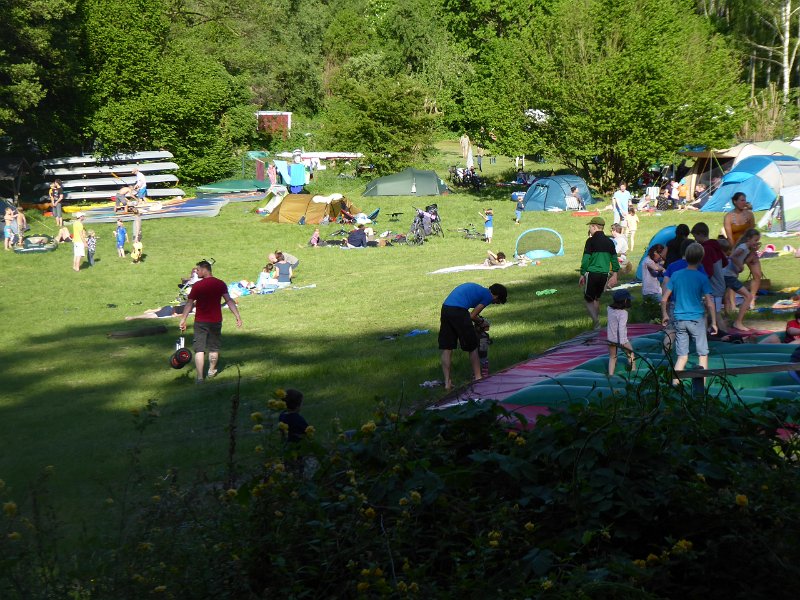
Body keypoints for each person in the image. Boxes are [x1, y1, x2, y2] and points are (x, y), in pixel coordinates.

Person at [661, 242, 718, 387]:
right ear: (701, 259)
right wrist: (714, 323)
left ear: (686, 256)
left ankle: (675, 385)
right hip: (696, 320)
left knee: (682, 356)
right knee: (703, 355)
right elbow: (710, 302)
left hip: (680, 319)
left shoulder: (676, 275)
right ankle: (701, 390)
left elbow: (664, 298)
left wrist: (665, 314)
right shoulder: (701, 277)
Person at [179, 260, 242, 383]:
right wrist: (237, 316)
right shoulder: (220, 284)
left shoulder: (197, 286)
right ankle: (211, 371)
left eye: (198, 270)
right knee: (214, 348)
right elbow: (229, 301)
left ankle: (200, 378)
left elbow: (189, 303)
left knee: (199, 349)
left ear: (204, 270)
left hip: (200, 321)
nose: (196, 272)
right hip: (215, 320)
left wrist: (183, 319)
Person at [439, 282, 508, 391]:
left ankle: (447, 382)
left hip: (446, 308)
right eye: (497, 302)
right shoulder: (487, 296)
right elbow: (472, 315)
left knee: (447, 348)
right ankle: (478, 378)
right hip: (458, 311)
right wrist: (482, 322)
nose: (494, 303)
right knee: (473, 346)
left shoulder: (481, 290)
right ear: (496, 296)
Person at [579, 216, 620, 330]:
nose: (589, 229)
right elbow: (614, 259)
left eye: (590, 227)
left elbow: (586, 258)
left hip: (592, 274)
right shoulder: (610, 242)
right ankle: (596, 325)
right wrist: (615, 273)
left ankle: (596, 322)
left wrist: (582, 273)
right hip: (604, 274)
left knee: (588, 300)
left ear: (594, 227)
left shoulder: (590, 241)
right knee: (596, 298)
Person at [722, 228, 761, 329]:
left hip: (728, 275)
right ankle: (738, 322)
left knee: (725, 297)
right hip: (729, 276)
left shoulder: (747, 249)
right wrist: (740, 266)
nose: (757, 242)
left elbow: (745, 260)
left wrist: (753, 251)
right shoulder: (743, 247)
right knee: (748, 296)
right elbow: (733, 256)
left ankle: (725, 319)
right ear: (748, 239)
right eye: (755, 240)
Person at [690, 222, 728, 323]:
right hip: (719, 283)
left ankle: (723, 335)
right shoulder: (715, 245)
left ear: (701, 234)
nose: (695, 240)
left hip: (714, 287)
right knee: (713, 314)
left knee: (715, 315)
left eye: (695, 237)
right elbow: (725, 262)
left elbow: (708, 272)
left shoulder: (706, 249)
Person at [607, 289, 635, 375]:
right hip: (622, 340)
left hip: (611, 339)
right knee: (631, 354)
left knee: (612, 357)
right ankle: (633, 372)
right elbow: (621, 328)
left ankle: (610, 375)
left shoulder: (609, 309)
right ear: (626, 301)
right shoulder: (623, 313)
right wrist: (622, 341)